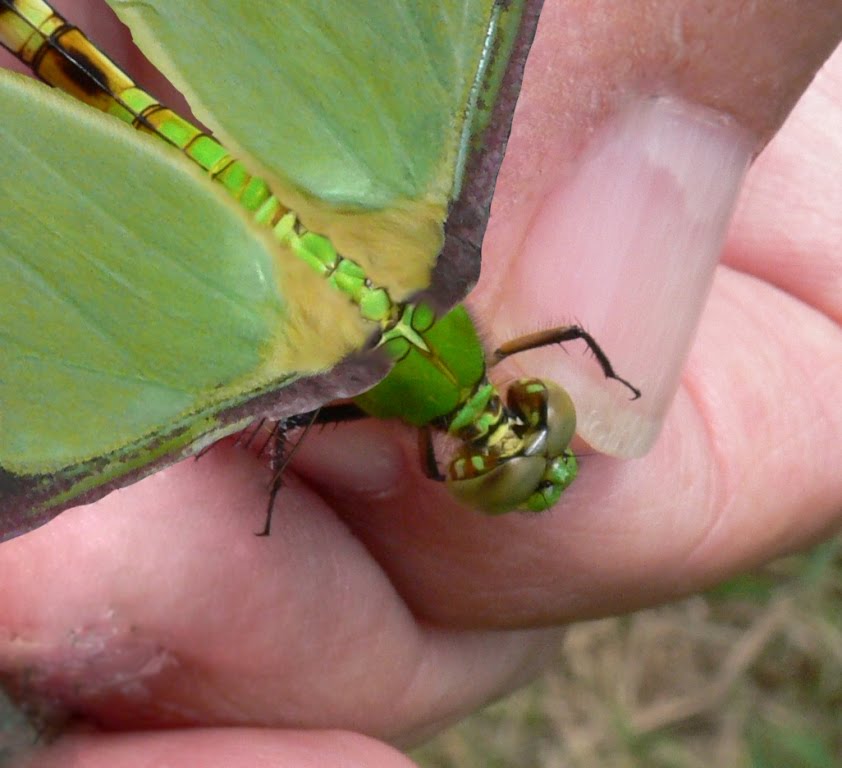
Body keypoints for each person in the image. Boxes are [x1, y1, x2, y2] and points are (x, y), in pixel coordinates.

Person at [1, 1, 840, 765]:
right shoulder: (343, 405)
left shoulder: (497, 315)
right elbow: (298, 430)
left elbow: (575, 336)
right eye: (517, 427)